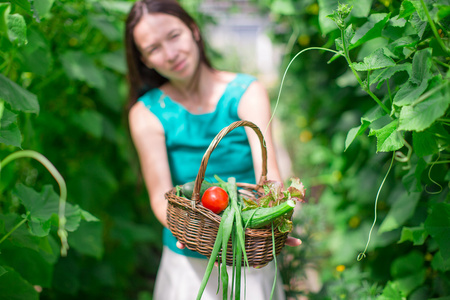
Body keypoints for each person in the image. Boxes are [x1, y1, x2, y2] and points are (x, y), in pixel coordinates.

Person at [125, 0, 301, 299]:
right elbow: (160, 197)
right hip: (188, 257)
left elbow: (267, 176)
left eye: (173, 36)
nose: (170, 54)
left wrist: (275, 216)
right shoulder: (146, 113)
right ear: (145, 60)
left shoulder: (246, 91)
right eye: (153, 49)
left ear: (194, 30)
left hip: (247, 248)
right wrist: (186, 228)